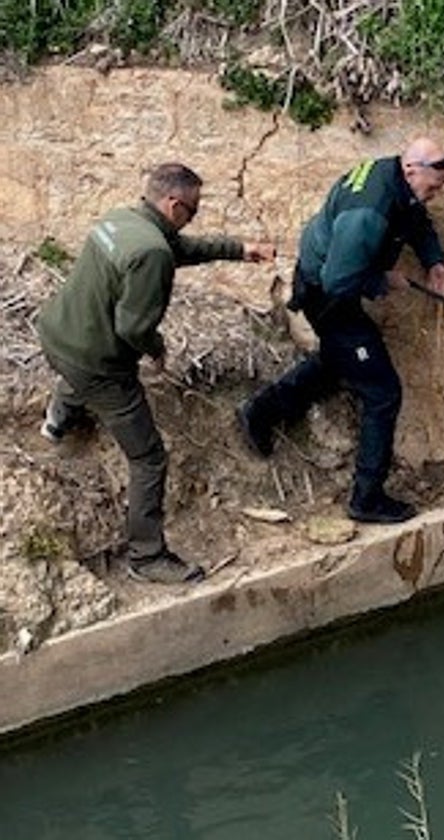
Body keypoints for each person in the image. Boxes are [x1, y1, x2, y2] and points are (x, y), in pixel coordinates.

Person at [36, 163, 277, 584]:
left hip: (57, 333)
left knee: (77, 370)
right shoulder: (152, 253)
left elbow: (182, 249)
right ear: (173, 203)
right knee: (148, 459)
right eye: (193, 210)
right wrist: (158, 349)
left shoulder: (123, 220)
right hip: (97, 363)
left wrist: (240, 249)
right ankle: (146, 557)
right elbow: (133, 328)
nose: (193, 218)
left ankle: (57, 422)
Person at [236, 137, 444, 524]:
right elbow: (339, 281)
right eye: (433, 187)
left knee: (341, 360)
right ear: (411, 169)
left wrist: (434, 259)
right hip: (328, 295)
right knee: (383, 392)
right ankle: (366, 498)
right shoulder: (369, 212)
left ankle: (261, 410)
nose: (435, 195)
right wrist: (383, 281)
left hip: (331, 282)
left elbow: (416, 217)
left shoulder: (395, 179)